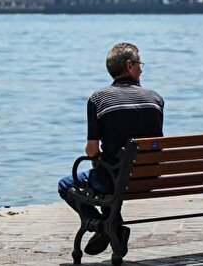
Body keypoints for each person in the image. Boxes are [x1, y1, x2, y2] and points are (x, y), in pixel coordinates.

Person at [57, 43, 164, 257]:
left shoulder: (99, 99)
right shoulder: (155, 99)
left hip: (114, 179)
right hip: (147, 178)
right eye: (140, 64)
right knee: (112, 169)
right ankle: (112, 224)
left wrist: (96, 158)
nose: (141, 70)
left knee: (66, 185)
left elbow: (91, 149)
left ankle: (103, 225)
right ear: (129, 65)